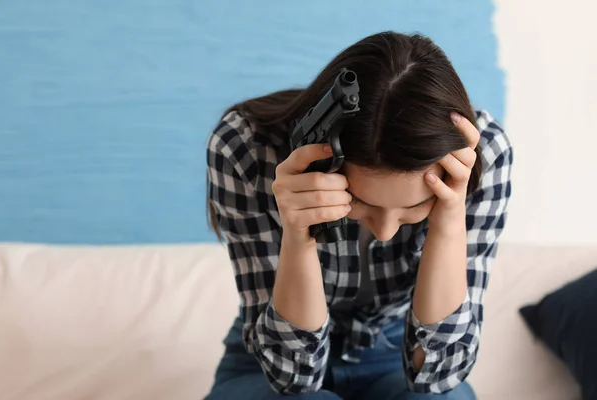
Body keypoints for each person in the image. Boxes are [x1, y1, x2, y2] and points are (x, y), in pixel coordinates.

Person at [204, 31, 513, 400]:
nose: (384, 231)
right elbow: (292, 380)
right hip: (269, 354)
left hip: (396, 347)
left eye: (414, 207)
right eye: (360, 203)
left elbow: (437, 378)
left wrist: (447, 224)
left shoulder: (480, 156)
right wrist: (299, 236)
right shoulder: (246, 148)